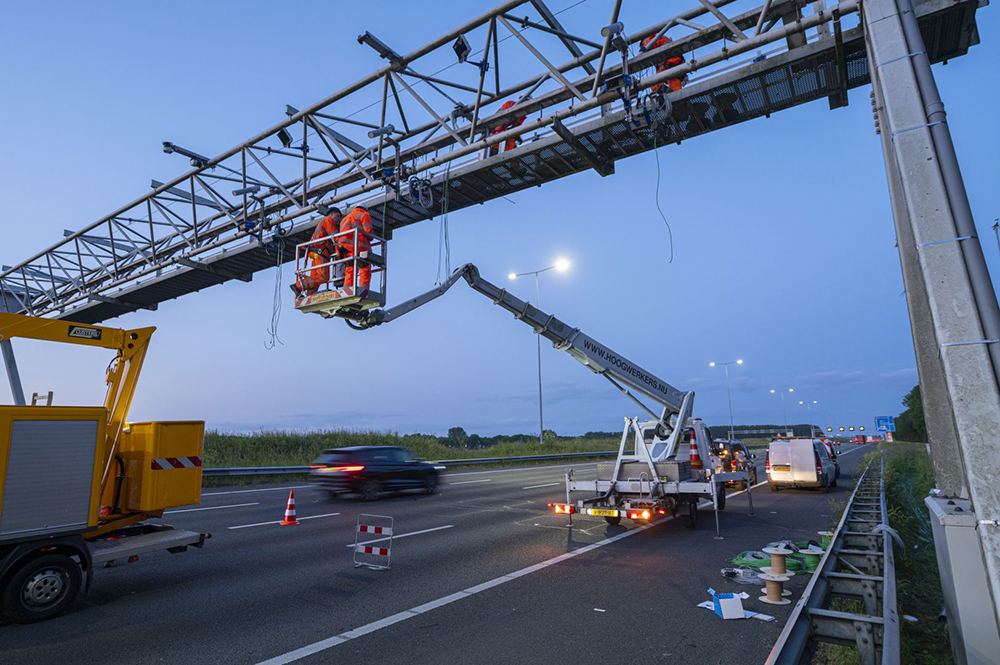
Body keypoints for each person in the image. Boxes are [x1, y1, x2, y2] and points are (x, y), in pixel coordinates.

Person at [292, 207, 342, 296]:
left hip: (314, 253)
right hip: (320, 252)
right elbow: (335, 237)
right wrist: (342, 246)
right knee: (323, 277)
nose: (339, 219)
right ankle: (298, 286)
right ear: (331, 214)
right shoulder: (328, 220)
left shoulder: (323, 222)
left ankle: (309, 294)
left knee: (315, 277)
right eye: (337, 216)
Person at [337, 205, 373, 290]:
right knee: (365, 268)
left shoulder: (344, 219)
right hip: (357, 247)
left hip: (344, 248)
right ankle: (364, 289)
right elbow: (369, 232)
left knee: (350, 268)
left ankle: (347, 288)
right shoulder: (364, 215)